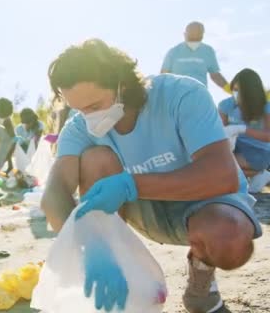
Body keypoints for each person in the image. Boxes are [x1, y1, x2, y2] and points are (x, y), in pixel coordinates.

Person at [42, 39, 261, 312]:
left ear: (122, 83)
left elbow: (222, 175)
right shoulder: (79, 129)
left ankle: (201, 279)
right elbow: (54, 193)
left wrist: (131, 184)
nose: (88, 116)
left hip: (204, 200)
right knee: (95, 158)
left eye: (95, 105)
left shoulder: (181, 94)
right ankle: (117, 268)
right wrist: (90, 249)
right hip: (141, 211)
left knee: (229, 240)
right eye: (79, 109)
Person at [220, 68, 270, 193]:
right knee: (216, 165)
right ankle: (259, 175)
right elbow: (221, 133)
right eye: (234, 90)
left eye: (240, 91)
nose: (236, 94)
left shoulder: (266, 107)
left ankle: (258, 174)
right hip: (234, 146)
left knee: (224, 167)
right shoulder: (226, 105)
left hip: (258, 150)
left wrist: (243, 129)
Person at [161, 21, 231, 93]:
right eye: (191, 35)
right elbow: (163, 75)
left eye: (197, 35)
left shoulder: (208, 51)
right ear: (185, 34)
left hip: (200, 94)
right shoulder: (173, 51)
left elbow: (215, 75)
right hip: (176, 94)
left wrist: (230, 90)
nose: (194, 38)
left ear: (202, 35)